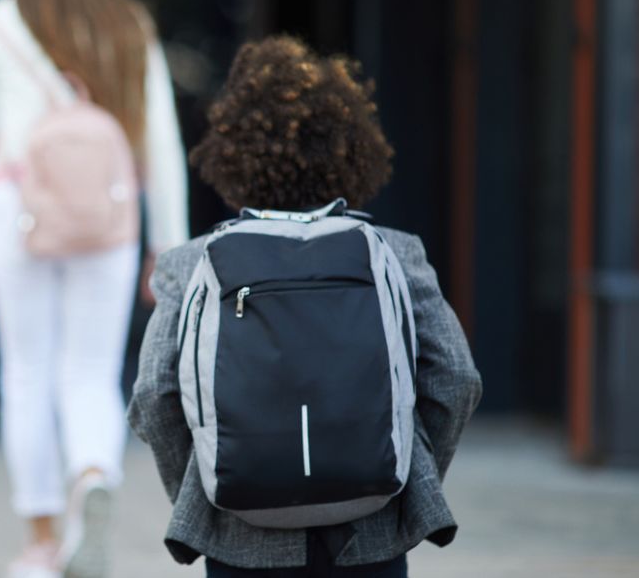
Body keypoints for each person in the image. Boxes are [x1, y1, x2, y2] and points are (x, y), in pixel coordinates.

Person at [128, 36, 483, 577]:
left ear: (231, 153)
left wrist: (204, 492)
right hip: (372, 531)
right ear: (354, 149)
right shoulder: (395, 250)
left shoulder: (191, 262)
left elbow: (154, 395)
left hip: (241, 536)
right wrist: (404, 469)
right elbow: (456, 378)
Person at [0, 0, 188, 575]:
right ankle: (92, 474)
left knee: (25, 371)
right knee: (90, 370)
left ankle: (43, 538)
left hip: (13, 213)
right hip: (107, 219)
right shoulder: (126, 25)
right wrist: (164, 244)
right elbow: (160, 144)